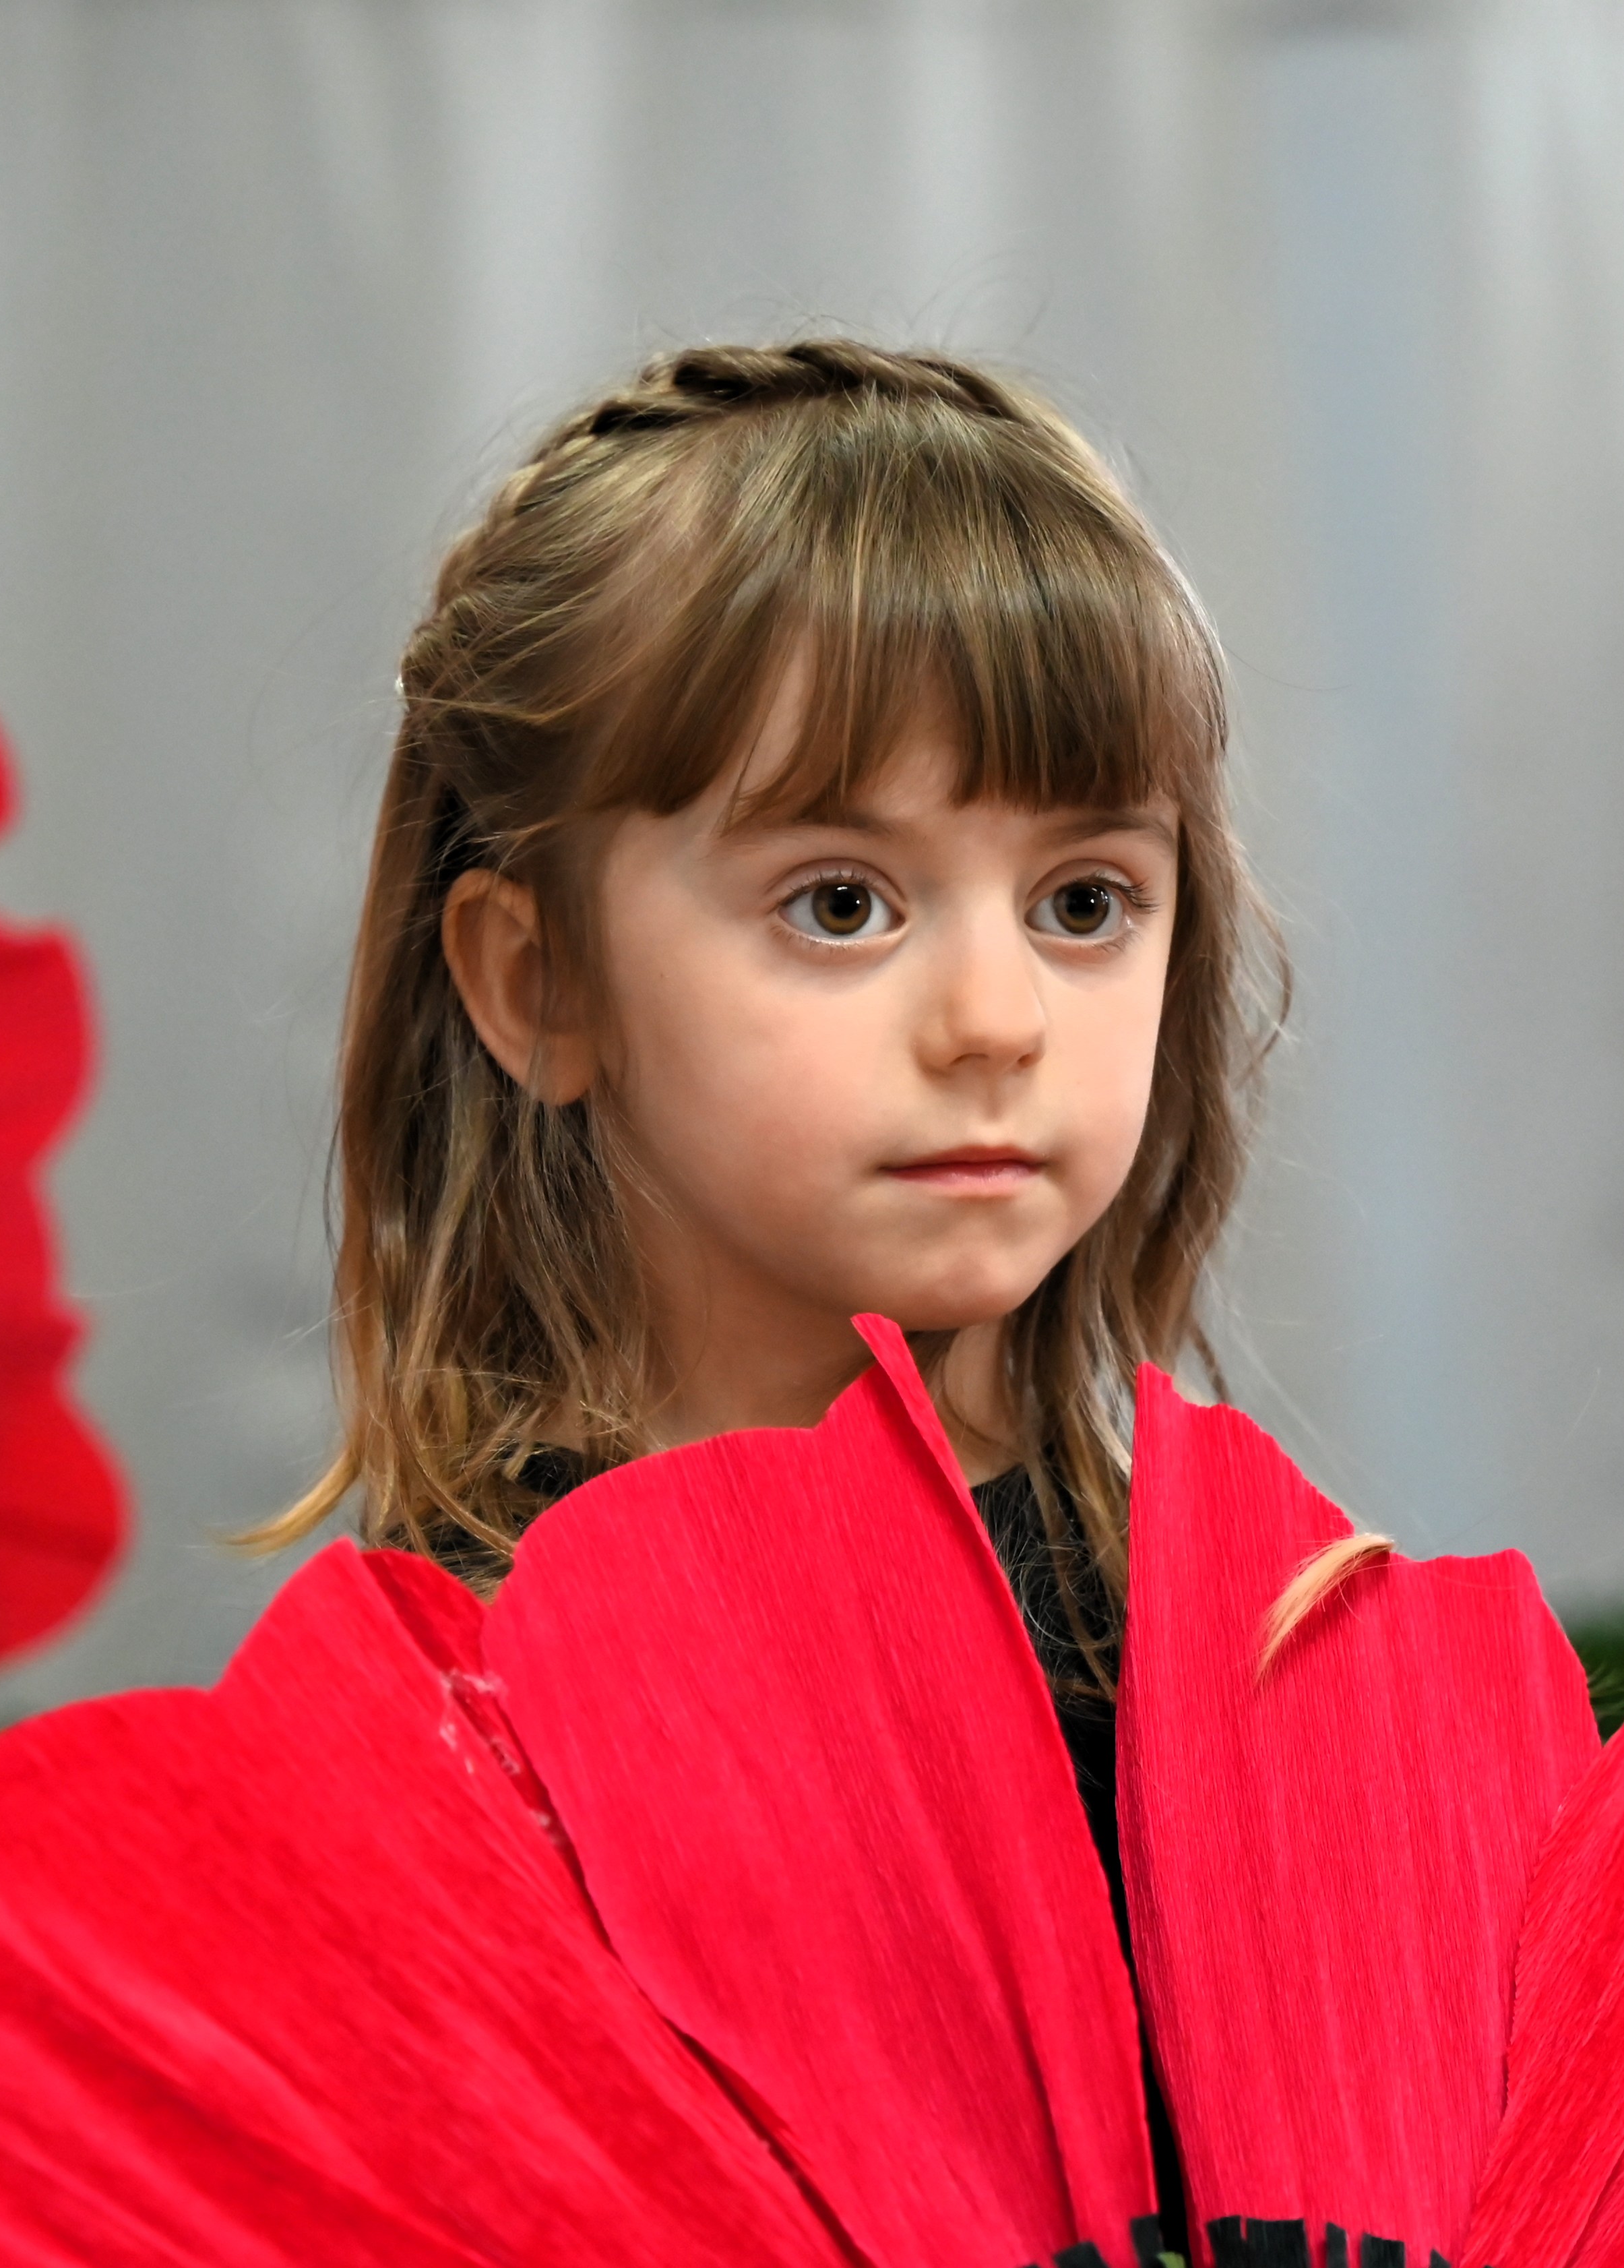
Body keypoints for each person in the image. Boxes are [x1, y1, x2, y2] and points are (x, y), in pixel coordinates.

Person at [261, 337, 1277, 1899]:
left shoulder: (1249, 1652)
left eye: (1082, 902)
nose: (997, 1020)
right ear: (541, 983)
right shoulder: (449, 1717)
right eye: (841, 903)